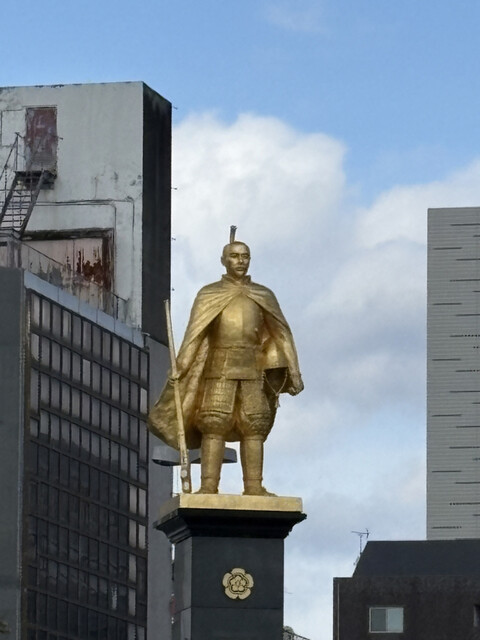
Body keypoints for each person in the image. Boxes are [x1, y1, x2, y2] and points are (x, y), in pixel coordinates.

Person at [148, 234, 303, 495]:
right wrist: (182, 365)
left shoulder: (263, 294)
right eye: (234, 256)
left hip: (254, 368)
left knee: (255, 425)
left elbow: (282, 333)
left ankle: (254, 486)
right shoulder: (209, 294)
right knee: (214, 423)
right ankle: (208, 486)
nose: (240, 261)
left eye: (245, 256)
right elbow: (195, 334)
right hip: (219, 367)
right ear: (223, 260)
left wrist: (294, 372)